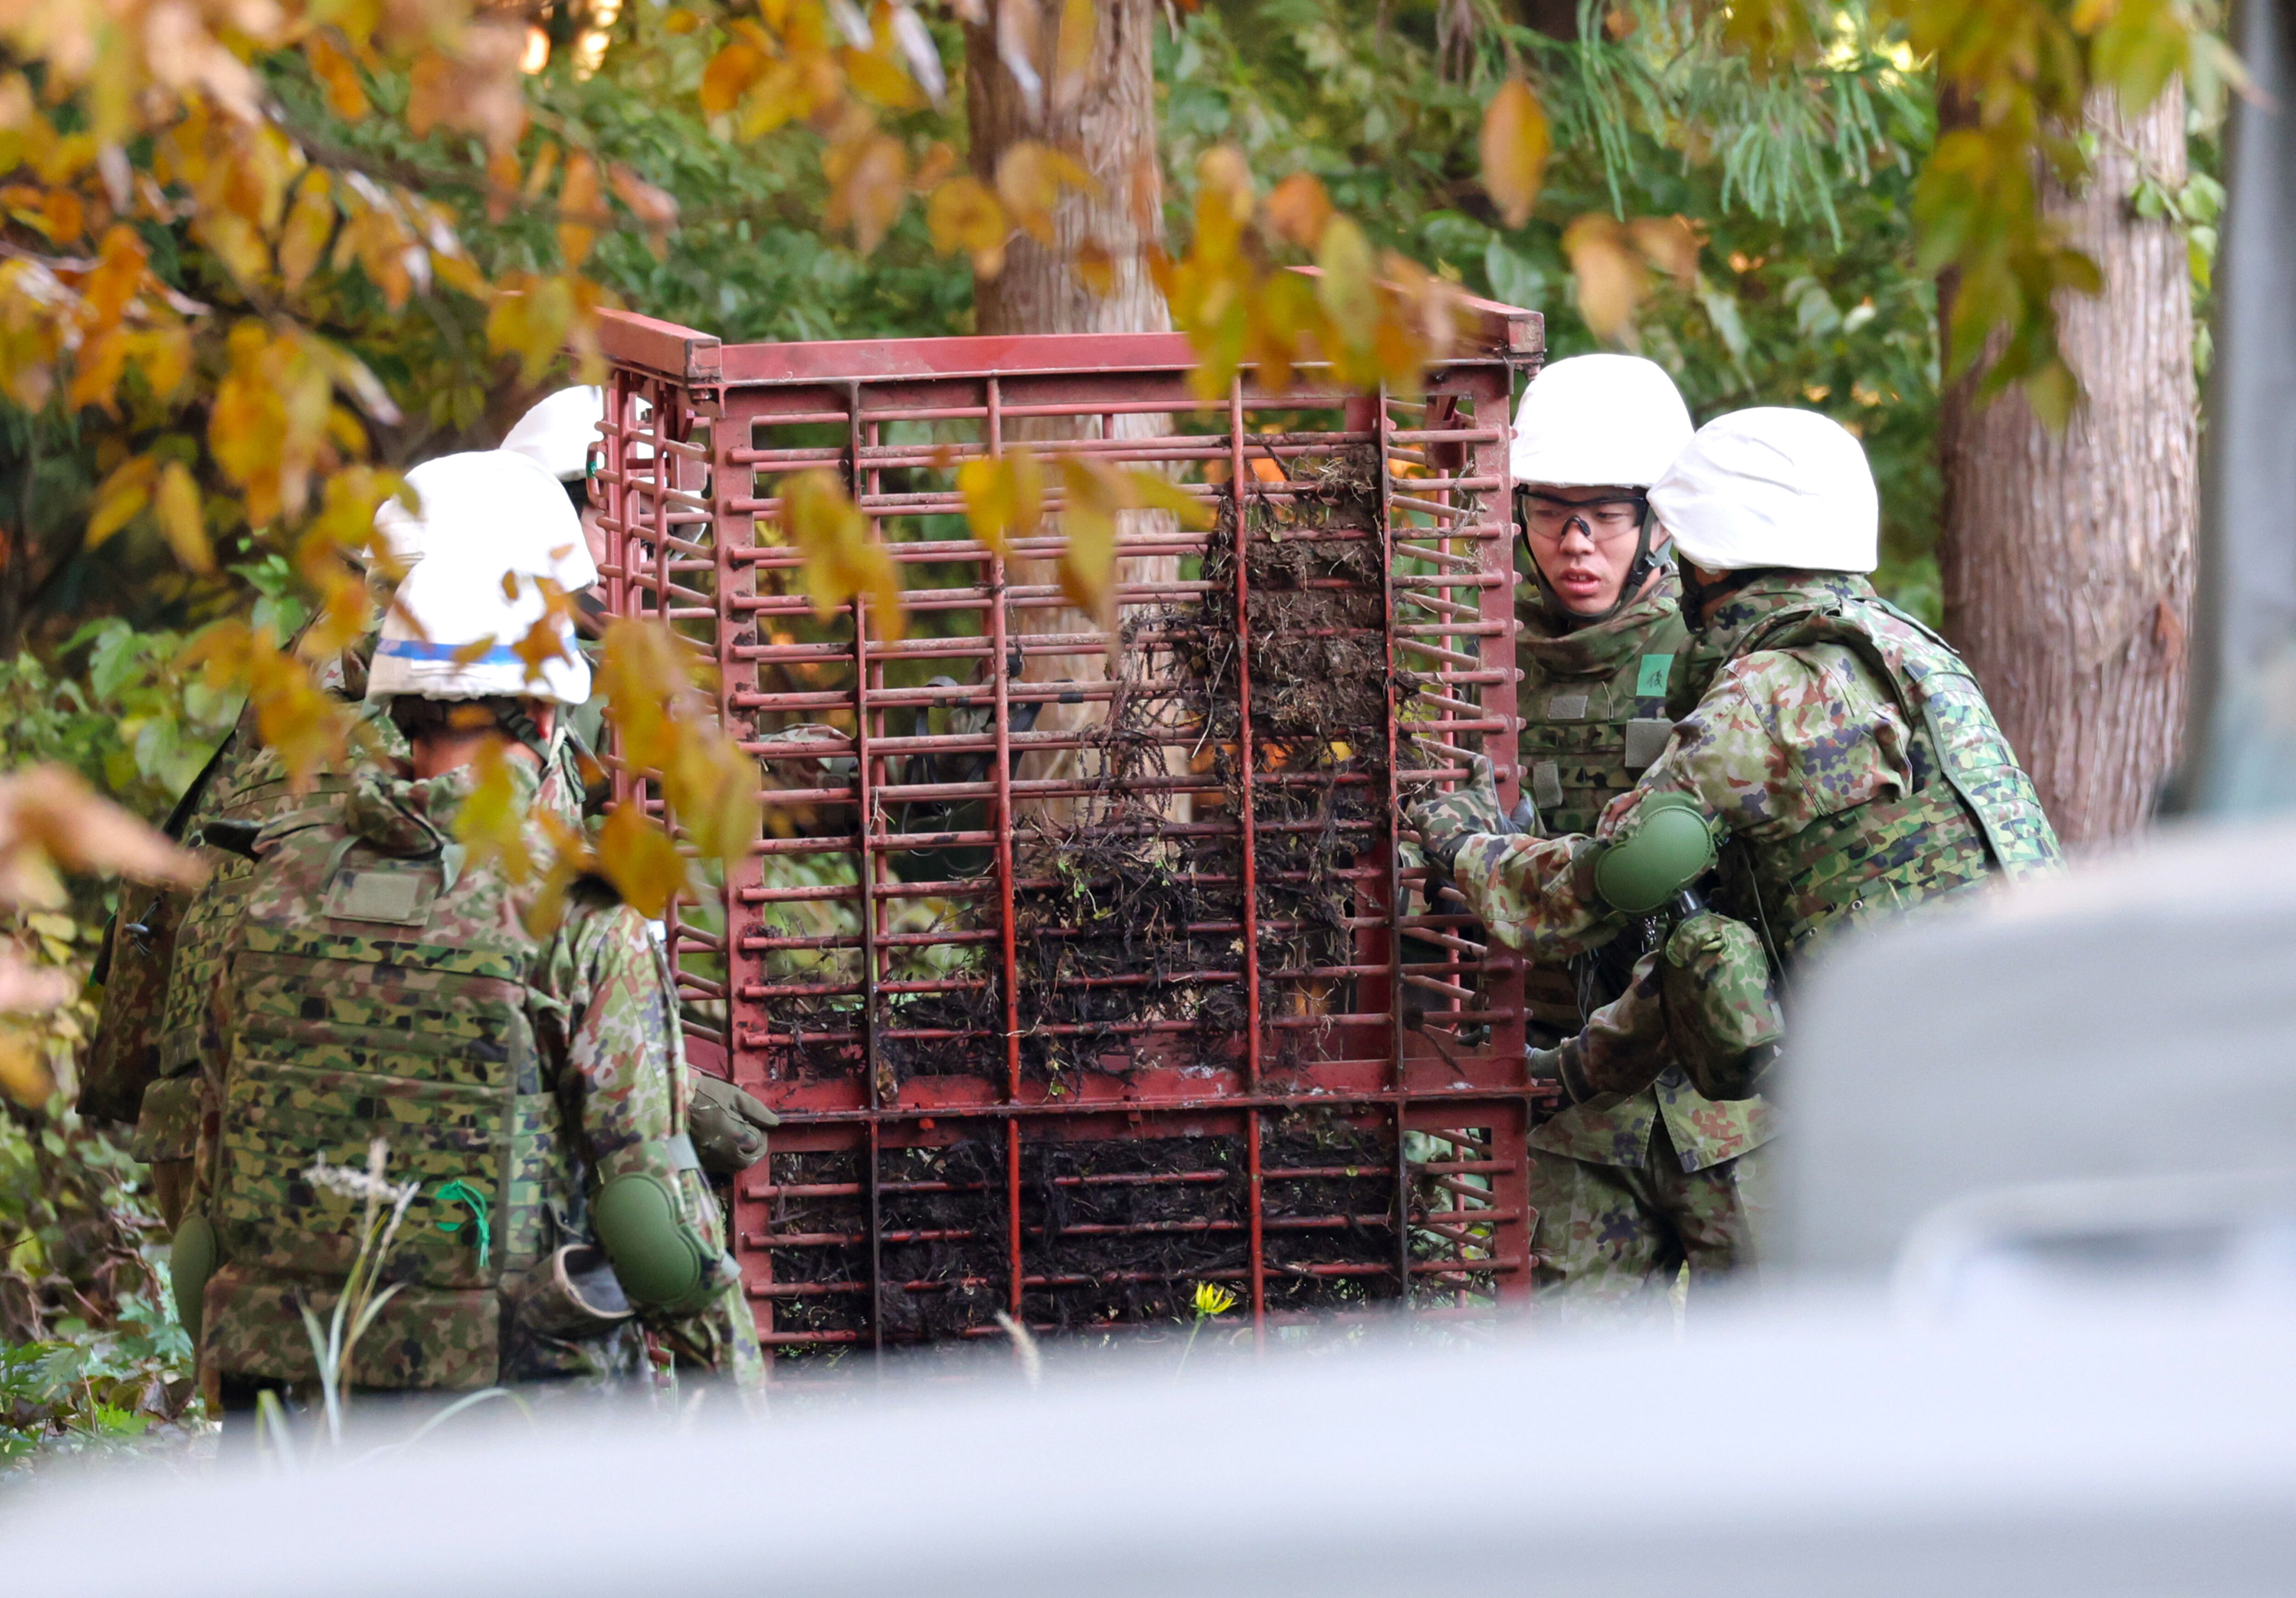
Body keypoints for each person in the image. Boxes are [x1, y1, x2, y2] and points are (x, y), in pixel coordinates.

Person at [169, 517, 764, 1424]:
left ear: (400, 707)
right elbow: (653, 1223)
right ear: (549, 712)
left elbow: (210, 1203)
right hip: (504, 1420)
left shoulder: (271, 884)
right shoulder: (576, 915)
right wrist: (743, 1411)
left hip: (289, 1411)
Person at [1413, 410, 2061, 1209]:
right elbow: (1709, 938)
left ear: (1715, 564)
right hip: (2026, 1044)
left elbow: (1609, 884)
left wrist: (1465, 844)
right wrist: (1583, 1067)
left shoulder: (1769, 694)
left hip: (1913, 1083)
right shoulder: (1912, 654)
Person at [1491, 354, 1776, 1318]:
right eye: (1548, 511)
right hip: (1572, 1090)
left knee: (1796, 1384)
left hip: (1724, 1084)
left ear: (1658, 521)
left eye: (1605, 513)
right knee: (1578, 1406)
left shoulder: (1728, 650)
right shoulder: (1477, 664)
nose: (1575, 542)